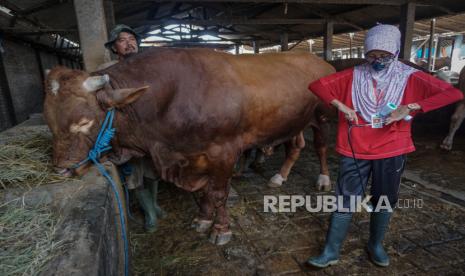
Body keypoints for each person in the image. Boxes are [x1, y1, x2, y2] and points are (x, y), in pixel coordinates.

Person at [306, 24, 463, 268]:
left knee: (384, 200)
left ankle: (375, 245)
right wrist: (343, 106)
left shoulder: (409, 75)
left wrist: (410, 107)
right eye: (372, 55)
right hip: (355, 147)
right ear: (365, 53)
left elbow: (453, 94)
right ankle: (331, 250)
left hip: (392, 148)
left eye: (385, 56)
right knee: (345, 200)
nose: (377, 60)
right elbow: (317, 86)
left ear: (396, 52)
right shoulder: (354, 74)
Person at [101, 24, 165, 232]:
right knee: (133, 177)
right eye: (122, 40)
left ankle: (154, 204)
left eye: (132, 38)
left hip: (150, 130)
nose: (129, 43)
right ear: (114, 47)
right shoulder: (108, 71)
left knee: (153, 172)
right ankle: (150, 214)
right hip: (125, 134)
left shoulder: (149, 67)